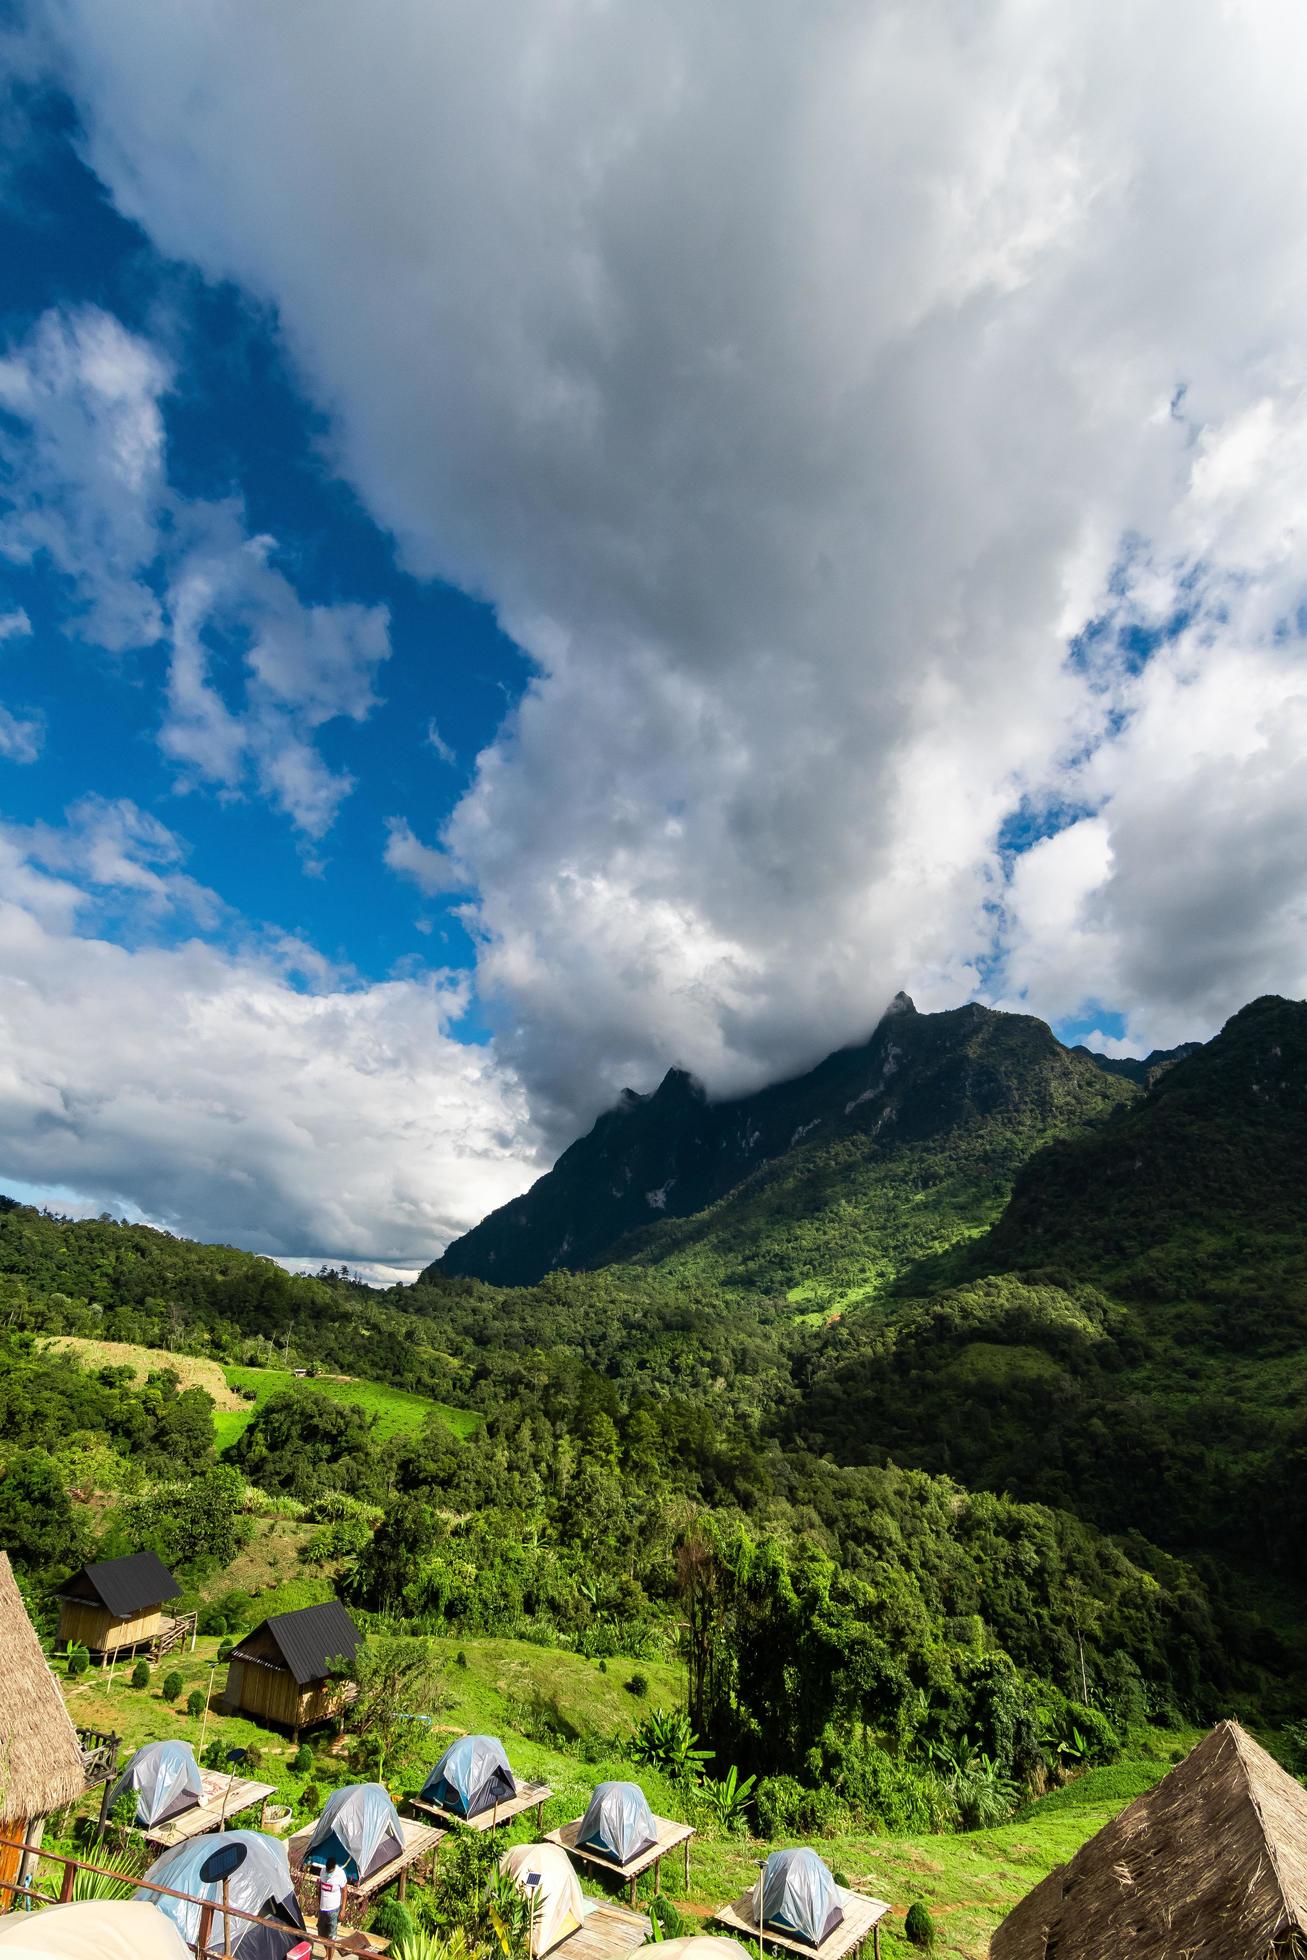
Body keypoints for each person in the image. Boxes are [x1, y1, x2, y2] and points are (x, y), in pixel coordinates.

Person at [317, 1857, 347, 1944]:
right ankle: (327, 1953)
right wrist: (319, 1902)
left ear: (334, 1868)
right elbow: (320, 1887)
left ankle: (329, 1957)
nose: (328, 1873)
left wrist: (343, 1909)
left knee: (331, 1936)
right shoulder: (323, 1871)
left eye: (330, 1871)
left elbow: (345, 1891)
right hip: (323, 1908)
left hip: (333, 1909)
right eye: (327, 1870)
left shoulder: (340, 1874)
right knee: (321, 1933)